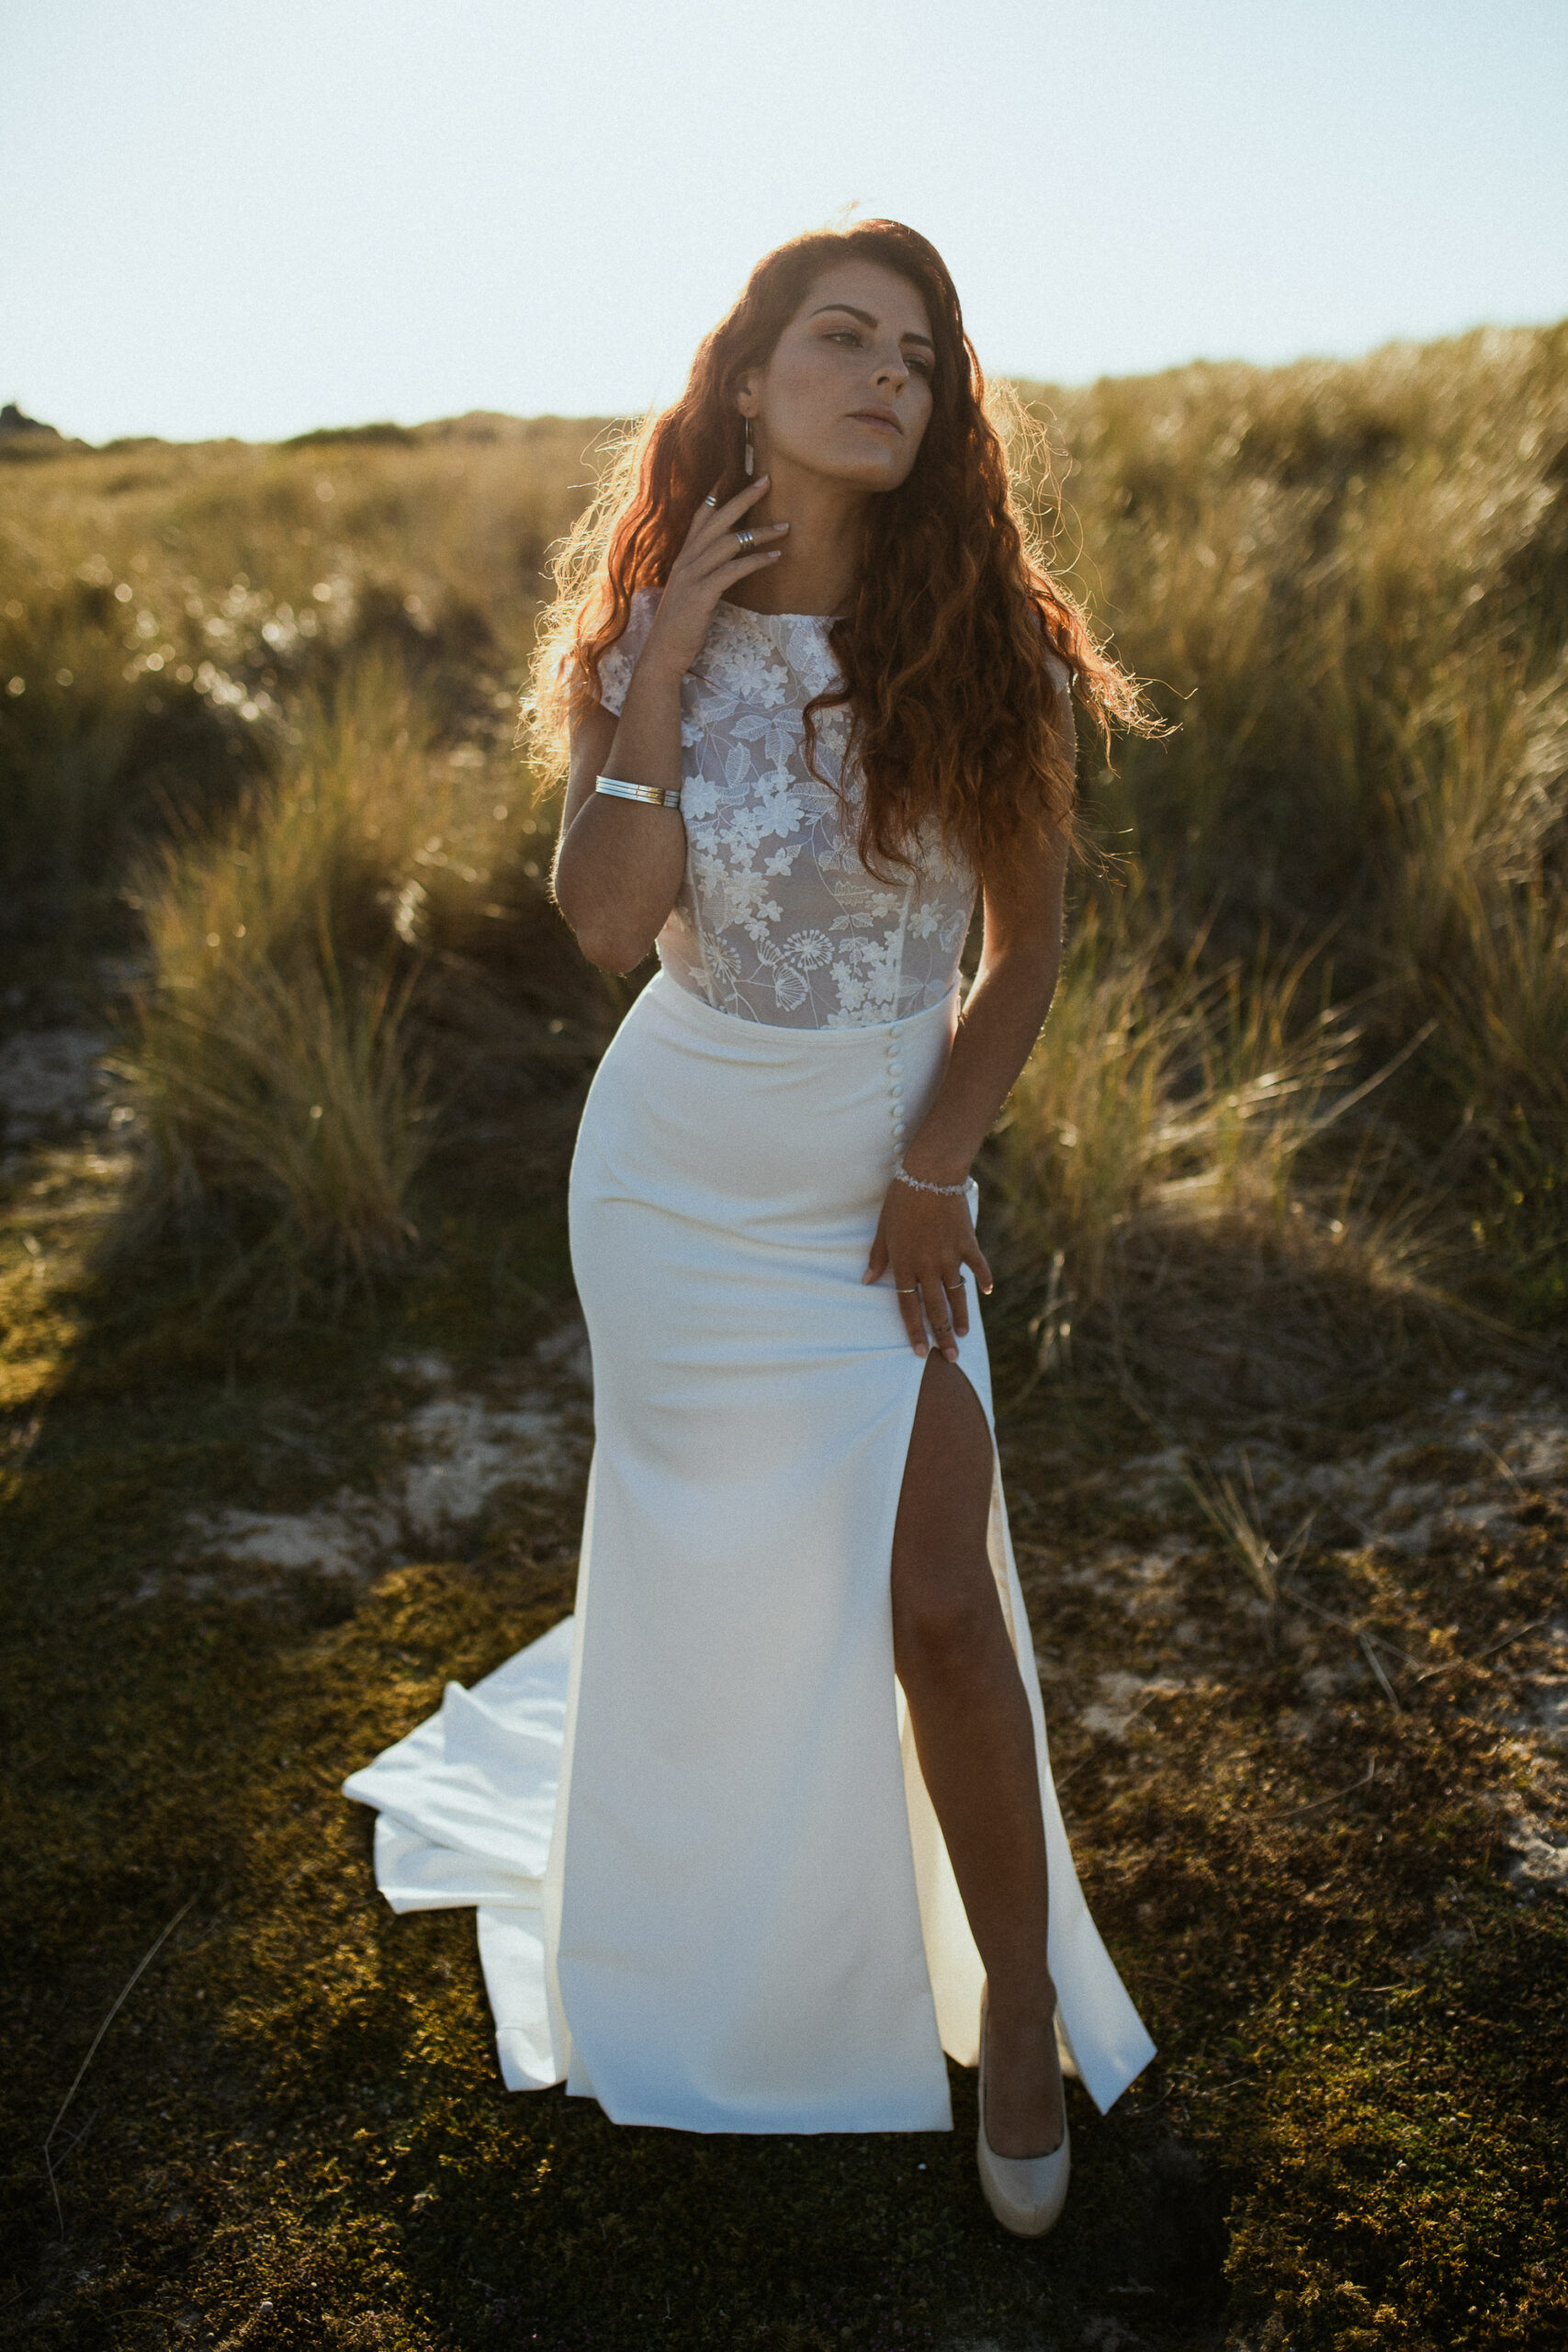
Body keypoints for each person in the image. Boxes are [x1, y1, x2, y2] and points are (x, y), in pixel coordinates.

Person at [344, 220, 1155, 2239]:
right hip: (676, 1182)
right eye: (844, 336)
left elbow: (1023, 944)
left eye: (920, 351)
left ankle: (1020, 2008)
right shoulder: (649, 637)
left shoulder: (997, 645)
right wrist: (669, 665)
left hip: (889, 1177)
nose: (889, 373)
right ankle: (744, 1945)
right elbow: (609, 927)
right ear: (748, 376)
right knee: (732, 1592)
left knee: (937, 1600)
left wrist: (933, 1167)